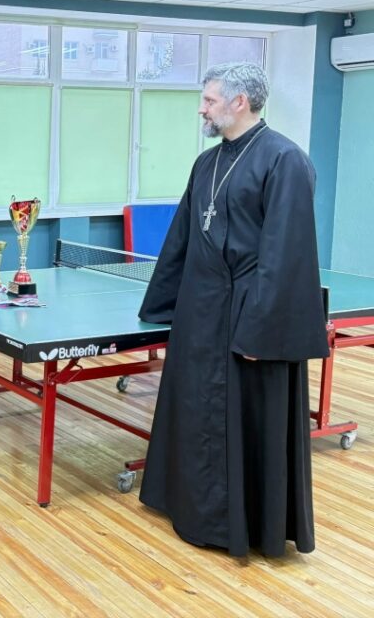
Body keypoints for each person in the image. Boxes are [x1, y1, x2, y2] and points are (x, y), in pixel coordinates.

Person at [138, 62, 329, 557]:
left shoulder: (284, 159)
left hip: (249, 312)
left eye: (209, 100)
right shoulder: (207, 162)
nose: (201, 109)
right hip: (199, 311)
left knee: (237, 420)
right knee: (194, 410)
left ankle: (236, 526)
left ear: (239, 102)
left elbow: (287, 254)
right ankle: (190, 508)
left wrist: (262, 331)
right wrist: (162, 305)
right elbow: (182, 236)